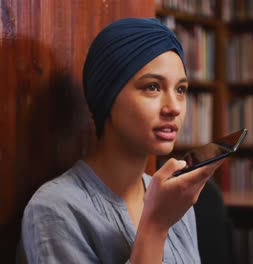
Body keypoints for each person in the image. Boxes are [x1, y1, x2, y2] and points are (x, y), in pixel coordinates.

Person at [17, 17, 223, 264]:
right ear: (108, 95)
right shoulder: (54, 210)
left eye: (180, 90)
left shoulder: (174, 196)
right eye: (152, 87)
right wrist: (156, 225)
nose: (174, 108)